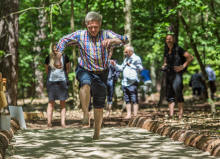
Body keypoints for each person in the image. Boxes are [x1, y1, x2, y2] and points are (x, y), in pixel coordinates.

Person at [56, 11, 128, 139]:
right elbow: (63, 40)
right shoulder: (80, 35)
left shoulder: (106, 34)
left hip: (102, 73)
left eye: (96, 27)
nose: (93, 29)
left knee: (99, 104)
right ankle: (85, 114)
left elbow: (124, 39)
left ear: (100, 24)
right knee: (85, 83)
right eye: (90, 27)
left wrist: (112, 40)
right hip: (85, 69)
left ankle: (96, 133)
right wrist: (58, 56)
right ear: (86, 25)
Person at [162, 34, 193, 119]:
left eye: (170, 39)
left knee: (178, 92)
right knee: (169, 94)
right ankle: (171, 115)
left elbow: (190, 57)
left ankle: (180, 115)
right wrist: (164, 66)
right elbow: (165, 62)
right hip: (168, 74)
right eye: (167, 39)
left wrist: (182, 66)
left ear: (174, 40)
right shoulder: (166, 50)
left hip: (177, 74)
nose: (168, 40)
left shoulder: (178, 49)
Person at [111, 45, 143, 119]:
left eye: (126, 52)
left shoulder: (136, 58)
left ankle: (135, 115)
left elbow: (140, 68)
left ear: (131, 52)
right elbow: (121, 68)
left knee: (134, 99)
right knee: (127, 100)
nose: (124, 53)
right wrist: (115, 65)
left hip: (132, 82)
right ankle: (128, 115)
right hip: (124, 82)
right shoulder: (126, 59)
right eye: (124, 52)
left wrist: (131, 65)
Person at [45, 43, 70, 128]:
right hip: (51, 83)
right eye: (54, 48)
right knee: (51, 103)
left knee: (62, 103)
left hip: (62, 82)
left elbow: (67, 69)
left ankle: (63, 123)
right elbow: (47, 71)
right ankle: (49, 123)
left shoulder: (65, 57)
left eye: (57, 48)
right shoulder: (49, 58)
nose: (56, 50)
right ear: (52, 49)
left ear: (61, 48)